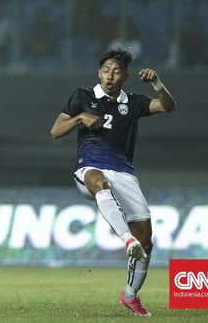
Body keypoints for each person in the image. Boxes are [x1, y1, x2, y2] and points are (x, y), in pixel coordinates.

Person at [50, 48, 176, 317]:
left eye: (116, 72)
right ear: (99, 72)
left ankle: (130, 296)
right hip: (90, 167)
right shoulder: (82, 96)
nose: (110, 76)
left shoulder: (132, 102)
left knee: (147, 240)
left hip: (124, 172)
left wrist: (156, 82)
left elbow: (167, 106)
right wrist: (79, 118)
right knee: (99, 181)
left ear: (126, 77)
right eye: (106, 70)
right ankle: (126, 239)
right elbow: (55, 131)